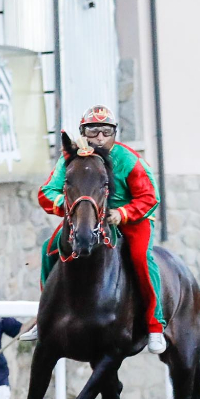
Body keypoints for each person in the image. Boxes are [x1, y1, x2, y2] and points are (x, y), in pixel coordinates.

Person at [20, 106, 168, 354]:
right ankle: (44, 317)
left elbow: (150, 196)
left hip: (132, 217)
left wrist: (122, 214)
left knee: (141, 257)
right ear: (83, 132)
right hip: (88, 216)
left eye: (106, 131)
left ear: (114, 133)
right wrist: (66, 207)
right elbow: (47, 192)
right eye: (93, 131)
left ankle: (155, 325)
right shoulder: (70, 159)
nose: (100, 137)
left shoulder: (129, 159)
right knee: (49, 248)